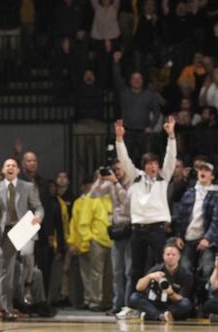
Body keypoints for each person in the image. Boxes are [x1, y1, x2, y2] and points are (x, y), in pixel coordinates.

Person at [115, 116, 177, 292]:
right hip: (138, 228)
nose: (153, 167)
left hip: (157, 228)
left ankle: (160, 299)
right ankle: (134, 303)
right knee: (136, 269)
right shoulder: (136, 177)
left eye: (155, 163)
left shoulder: (163, 178)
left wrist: (171, 136)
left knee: (160, 265)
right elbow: (124, 159)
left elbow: (171, 158)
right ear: (144, 166)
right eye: (149, 164)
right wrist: (119, 139)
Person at [0, 158, 44, 320]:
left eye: (14, 165)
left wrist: (38, 217)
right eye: (7, 166)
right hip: (7, 230)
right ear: (3, 170)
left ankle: (28, 285)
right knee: (6, 270)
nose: (11, 168)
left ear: (18, 170)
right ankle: (6, 307)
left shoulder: (28, 187)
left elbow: (38, 207)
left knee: (27, 254)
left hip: (25, 227)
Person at [172, 162, 218, 305]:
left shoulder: (216, 196)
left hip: (206, 240)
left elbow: (216, 221)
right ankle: (185, 302)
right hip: (188, 238)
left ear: (212, 176)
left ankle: (205, 303)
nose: (203, 172)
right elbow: (181, 217)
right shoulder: (189, 193)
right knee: (185, 269)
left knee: (207, 269)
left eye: (207, 170)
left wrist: (207, 238)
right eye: (201, 170)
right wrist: (178, 235)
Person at [89, 161, 131, 315]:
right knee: (117, 272)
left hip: (130, 229)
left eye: (119, 169)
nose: (117, 172)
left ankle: (127, 305)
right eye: (114, 170)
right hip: (116, 230)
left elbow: (126, 202)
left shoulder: (131, 182)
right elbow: (92, 194)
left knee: (129, 272)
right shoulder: (110, 184)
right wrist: (100, 179)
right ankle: (117, 304)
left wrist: (116, 183)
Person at [70, 177, 113, 312]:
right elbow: (83, 221)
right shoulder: (91, 198)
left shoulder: (111, 197)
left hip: (112, 240)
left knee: (109, 274)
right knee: (95, 273)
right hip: (97, 240)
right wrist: (89, 238)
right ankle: (95, 301)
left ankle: (107, 301)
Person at [128, 241, 194, 323]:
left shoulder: (185, 274)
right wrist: (149, 277)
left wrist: (171, 293)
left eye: (173, 254)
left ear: (179, 257)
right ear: (163, 256)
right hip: (154, 302)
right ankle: (160, 316)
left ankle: (152, 315)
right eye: (168, 254)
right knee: (134, 297)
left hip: (171, 305)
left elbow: (181, 297)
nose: (170, 257)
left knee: (186, 304)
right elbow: (138, 287)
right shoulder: (157, 269)